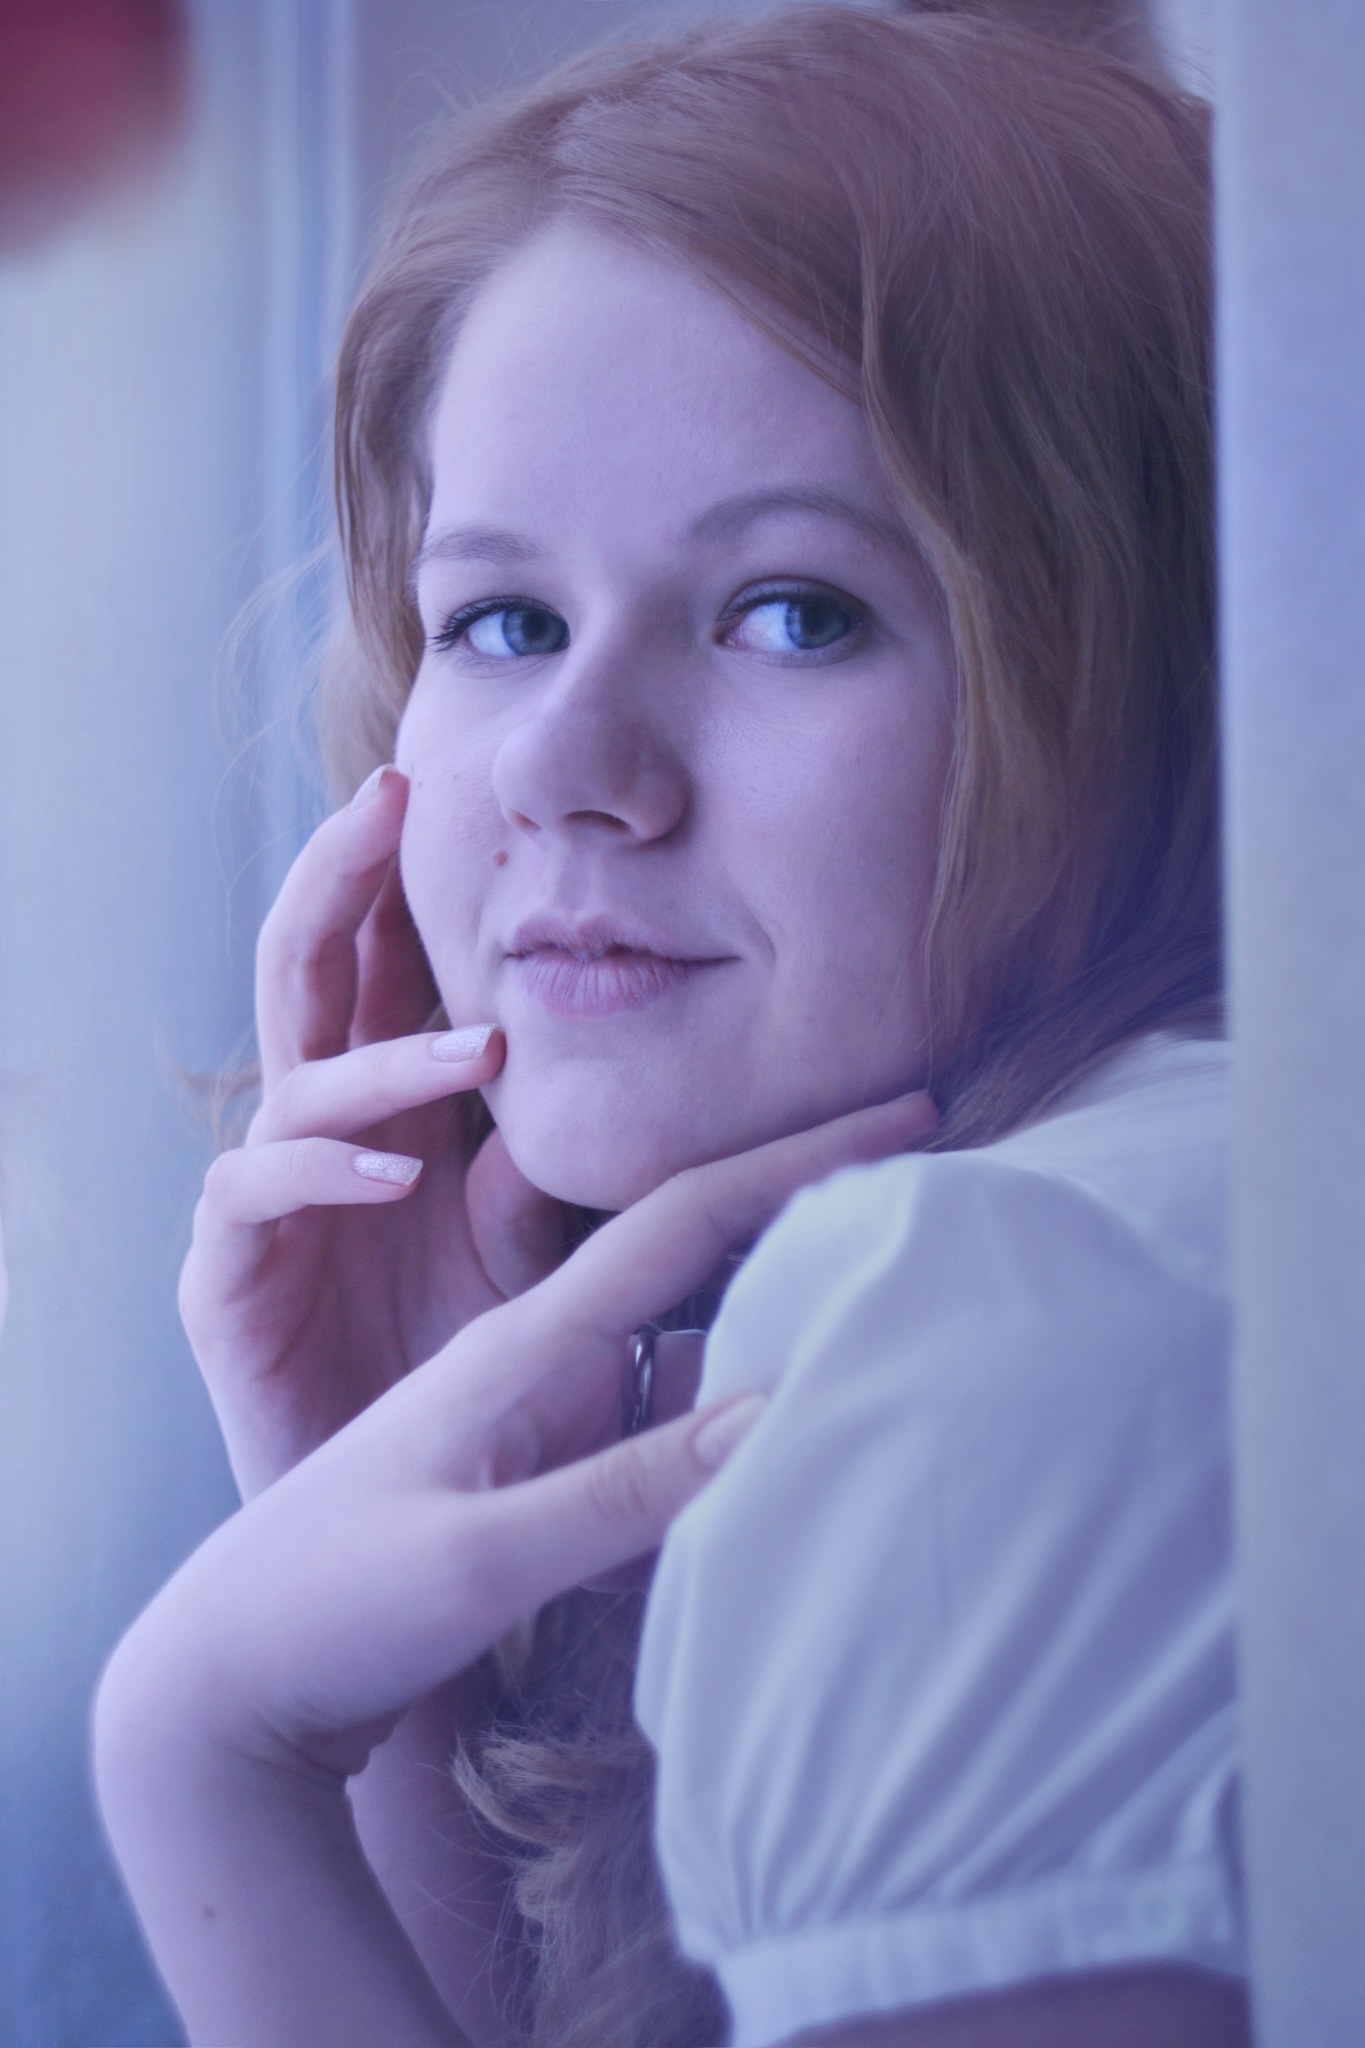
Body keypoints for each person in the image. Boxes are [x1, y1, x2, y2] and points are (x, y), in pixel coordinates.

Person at [93, 8, 1246, 2045]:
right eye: (502, 622)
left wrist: (210, 1764)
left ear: (1153, 667)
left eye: (792, 612)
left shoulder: (998, 1315)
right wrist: (387, 1531)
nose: (564, 768)